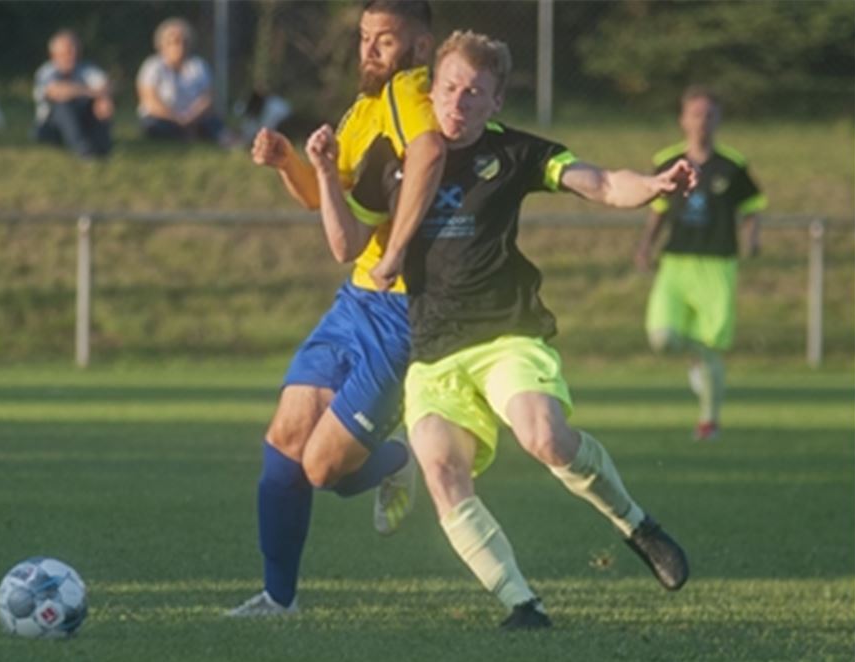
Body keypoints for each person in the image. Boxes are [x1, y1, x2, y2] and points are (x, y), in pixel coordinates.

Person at [310, 29, 693, 629]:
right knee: (439, 469)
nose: (457, 104)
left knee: (544, 437)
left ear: (495, 103)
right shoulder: (393, 156)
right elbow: (347, 244)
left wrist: (652, 187)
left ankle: (637, 526)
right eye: (449, 89)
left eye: (474, 94)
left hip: (505, 335)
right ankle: (523, 605)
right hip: (433, 350)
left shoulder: (514, 153)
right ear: (431, 91)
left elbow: (597, 181)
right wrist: (327, 174)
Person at [226, 0, 446, 617]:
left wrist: (398, 247)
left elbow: (428, 151)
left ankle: (396, 460)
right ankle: (278, 599)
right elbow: (328, 210)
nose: (369, 50)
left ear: (420, 47)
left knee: (322, 469)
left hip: (403, 316)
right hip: (354, 300)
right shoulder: (363, 110)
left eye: (384, 39)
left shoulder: (410, 92)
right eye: (364, 37)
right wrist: (291, 164)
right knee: (286, 435)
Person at [635, 86, 766, 441]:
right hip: (676, 263)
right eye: (695, 114)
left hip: (718, 264)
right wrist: (645, 247)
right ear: (683, 119)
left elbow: (752, 207)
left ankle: (709, 421)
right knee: (662, 337)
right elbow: (657, 210)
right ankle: (696, 362)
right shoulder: (667, 161)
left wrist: (752, 238)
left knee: (712, 346)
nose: (701, 122)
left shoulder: (732, 165)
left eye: (709, 114)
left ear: (718, 120)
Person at [136, 18, 233, 145]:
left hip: (195, 117)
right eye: (175, 42)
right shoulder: (152, 66)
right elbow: (150, 101)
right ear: (162, 45)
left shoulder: (198, 66)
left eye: (184, 42)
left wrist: (191, 117)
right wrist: (176, 118)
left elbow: (208, 98)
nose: (180, 46)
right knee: (155, 127)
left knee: (213, 122)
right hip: (163, 118)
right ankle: (187, 135)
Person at [32, 29, 113, 159]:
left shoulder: (87, 69)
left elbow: (106, 87)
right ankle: (83, 149)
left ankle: (101, 146)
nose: (73, 54)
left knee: (103, 102)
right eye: (68, 51)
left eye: (75, 49)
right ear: (54, 54)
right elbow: (56, 91)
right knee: (63, 104)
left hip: (82, 119)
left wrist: (102, 99)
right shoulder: (47, 71)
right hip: (52, 126)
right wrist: (91, 92)